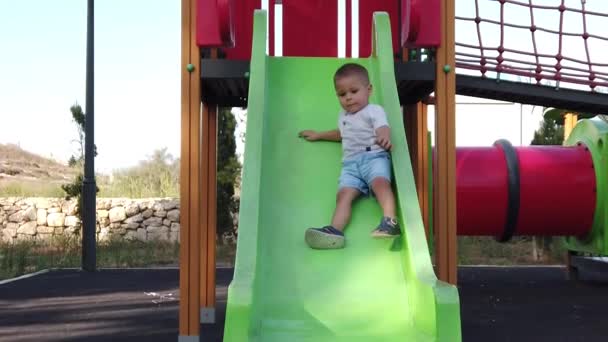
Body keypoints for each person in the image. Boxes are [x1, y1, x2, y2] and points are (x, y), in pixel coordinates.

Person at [298, 62, 401, 250]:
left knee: (380, 184)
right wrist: (318, 135)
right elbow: (341, 134)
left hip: (373, 157)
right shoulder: (343, 116)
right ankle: (335, 232)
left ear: (368, 90)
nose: (349, 98)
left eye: (354, 91)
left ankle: (390, 222)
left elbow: (382, 127)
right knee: (343, 196)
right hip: (350, 165)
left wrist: (384, 136)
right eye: (342, 94)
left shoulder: (374, 110)